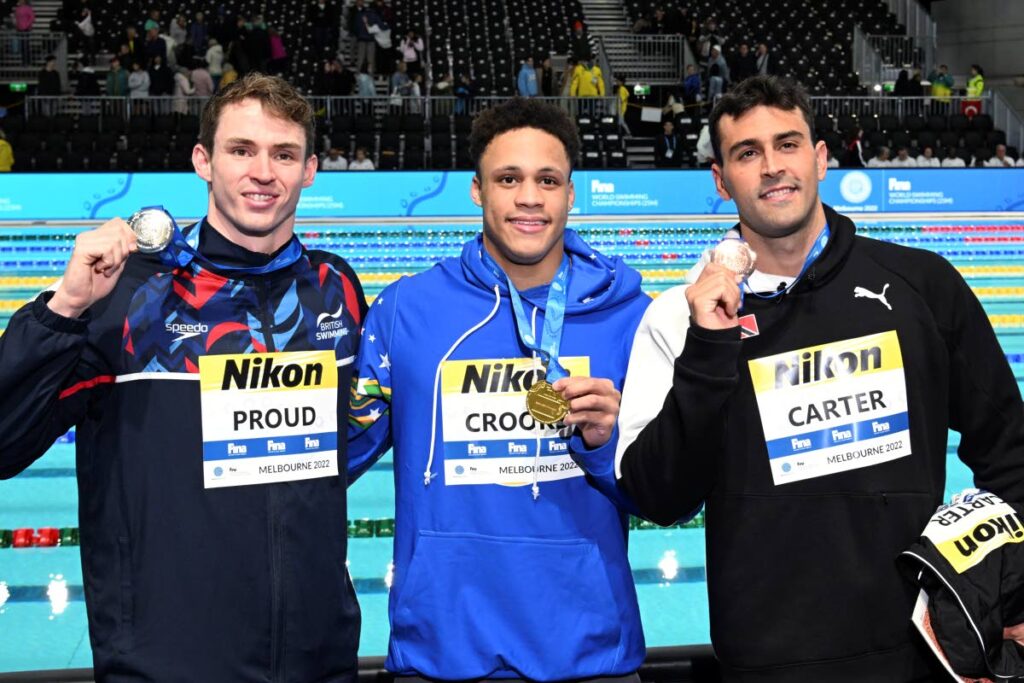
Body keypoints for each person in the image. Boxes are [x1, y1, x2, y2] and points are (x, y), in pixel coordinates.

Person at [608, 74, 1024, 682]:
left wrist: (1009, 594)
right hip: (765, 661)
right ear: (722, 181)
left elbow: (1010, 451)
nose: (772, 167)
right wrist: (708, 348)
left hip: (917, 656)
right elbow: (656, 497)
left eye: (788, 144)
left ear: (821, 158)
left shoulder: (923, 286)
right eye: (747, 153)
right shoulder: (679, 315)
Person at [0, 72, 365, 681]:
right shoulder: (130, 297)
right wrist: (63, 308)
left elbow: (361, 436)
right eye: (241, 150)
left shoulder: (335, 290)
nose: (263, 172)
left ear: (310, 171)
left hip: (316, 659)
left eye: (284, 154)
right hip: (169, 661)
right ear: (204, 160)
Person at [347, 96, 648, 682]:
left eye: (547, 180)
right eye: (508, 178)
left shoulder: (630, 318)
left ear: (571, 192)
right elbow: (334, 455)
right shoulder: (406, 310)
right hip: (440, 654)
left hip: (589, 657)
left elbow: (668, 498)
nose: (529, 197)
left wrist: (611, 443)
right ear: (477, 190)